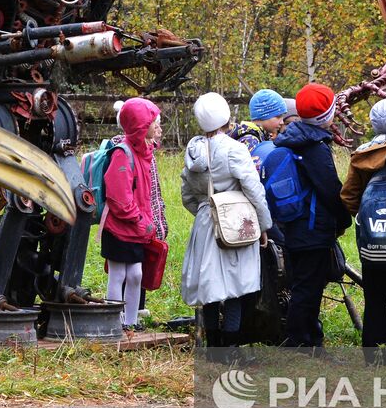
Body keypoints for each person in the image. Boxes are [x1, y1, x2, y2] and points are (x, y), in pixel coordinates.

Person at [181, 93, 273, 354]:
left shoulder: (193, 151)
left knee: (210, 287)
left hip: (204, 222)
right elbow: (253, 189)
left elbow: (186, 194)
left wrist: (203, 213)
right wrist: (263, 224)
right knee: (235, 286)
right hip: (234, 222)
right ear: (226, 118)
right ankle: (230, 350)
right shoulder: (234, 149)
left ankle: (213, 347)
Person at [273, 83, 351, 348]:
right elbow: (330, 190)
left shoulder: (293, 138)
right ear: (326, 117)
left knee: (303, 285)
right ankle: (301, 341)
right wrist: (344, 218)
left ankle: (308, 337)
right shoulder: (314, 147)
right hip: (313, 227)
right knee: (309, 288)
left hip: (293, 224)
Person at [340, 98, 386, 353]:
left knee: (374, 293)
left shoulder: (361, 155)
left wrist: (366, 219)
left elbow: (349, 197)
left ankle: (371, 344)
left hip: (372, 237)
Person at [100, 98, 164, 336]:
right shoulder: (123, 154)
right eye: (154, 122)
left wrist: (146, 222)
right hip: (120, 227)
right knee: (118, 273)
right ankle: (113, 318)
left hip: (137, 228)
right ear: (140, 125)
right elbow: (119, 198)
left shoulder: (146, 153)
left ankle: (131, 319)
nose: (159, 127)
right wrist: (140, 220)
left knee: (136, 274)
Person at [231, 89, 291, 161]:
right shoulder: (250, 141)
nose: (282, 122)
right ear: (264, 115)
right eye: (278, 117)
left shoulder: (262, 136)